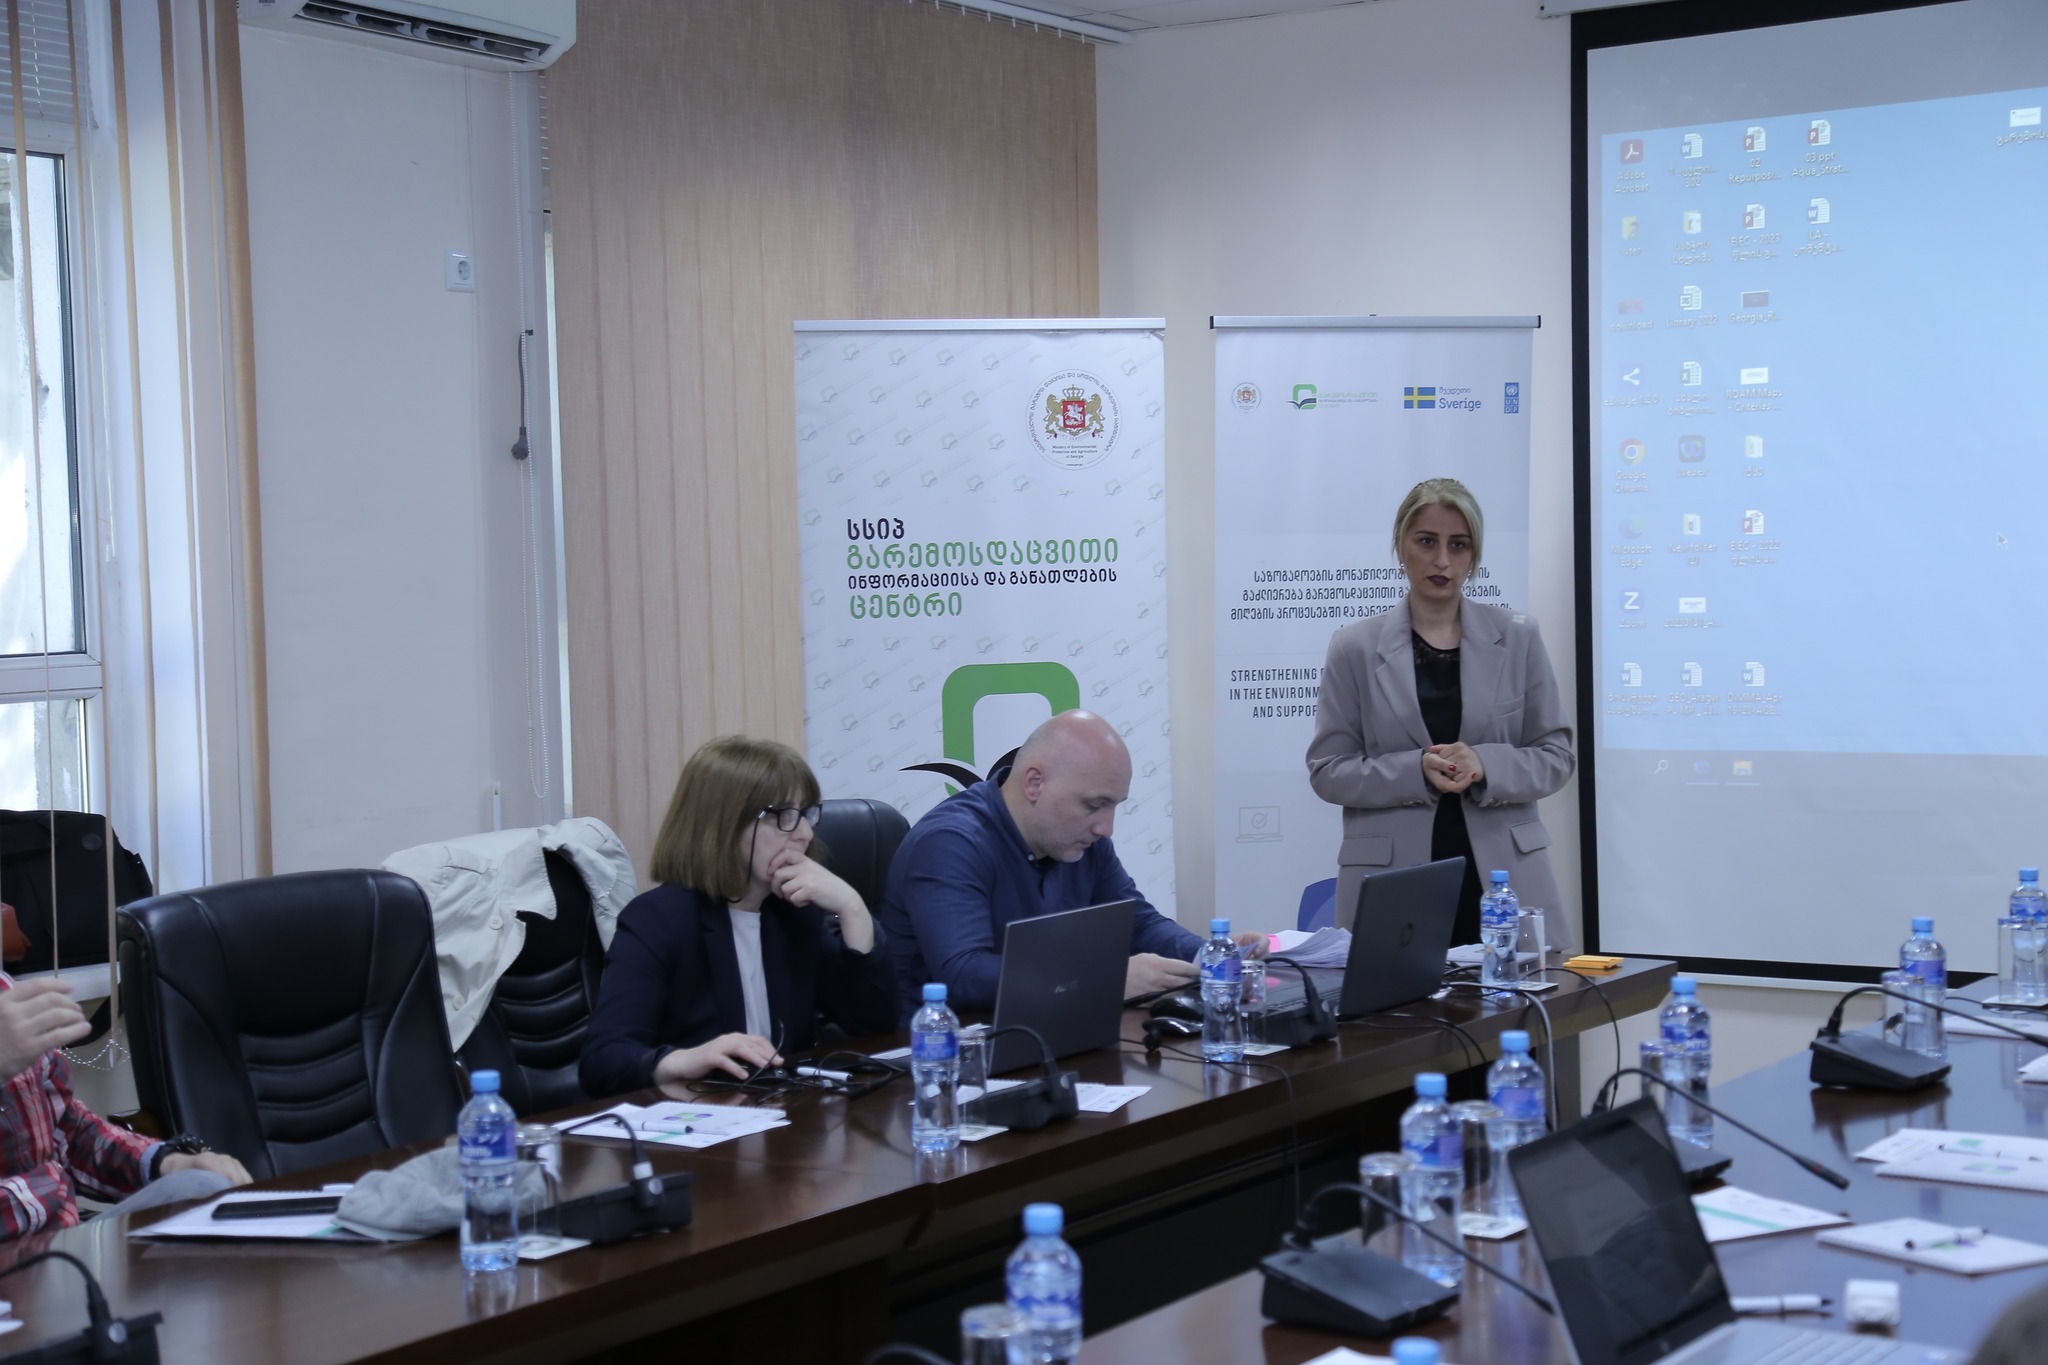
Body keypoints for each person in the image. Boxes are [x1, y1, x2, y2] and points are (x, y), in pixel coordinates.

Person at [1305, 478, 1575, 947]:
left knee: (1513, 997)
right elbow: (1329, 772)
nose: (1443, 560)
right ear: (1400, 547)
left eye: (1459, 545)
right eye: (1427, 542)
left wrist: (1486, 762)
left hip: (1503, 882)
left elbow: (1557, 757)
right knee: (1396, 997)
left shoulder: (1519, 637)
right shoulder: (1354, 647)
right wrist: (1414, 771)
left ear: (1475, 555)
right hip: (1394, 882)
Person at [880, 709, 1265, 1022]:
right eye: (1094, 805)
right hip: (938, 1059)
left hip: (1046, 1032)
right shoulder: (950, 843)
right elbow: (964, 975)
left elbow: (1138, 924)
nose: (1106, 828)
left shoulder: (1082, 840)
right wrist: (1105, 980)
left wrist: (1213, 958)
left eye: (1114, 806)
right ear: (1034, 783)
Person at [579, 735, 898, 1098]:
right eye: (784, 816)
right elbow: (602, 1062)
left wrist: (852, 907)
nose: (805, 833)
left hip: (782, 1114)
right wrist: (681, 1060)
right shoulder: (658, 920)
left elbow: (875, 1027)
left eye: (806, 813)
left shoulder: (793, 915)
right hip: (698, 1119)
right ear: (725, 824)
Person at [0, 973, 250, 1238]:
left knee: (204, 1187)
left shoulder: (7, 993)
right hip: (11, 1256)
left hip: (65, 1242)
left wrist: (165, 1162)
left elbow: (69, 1135)